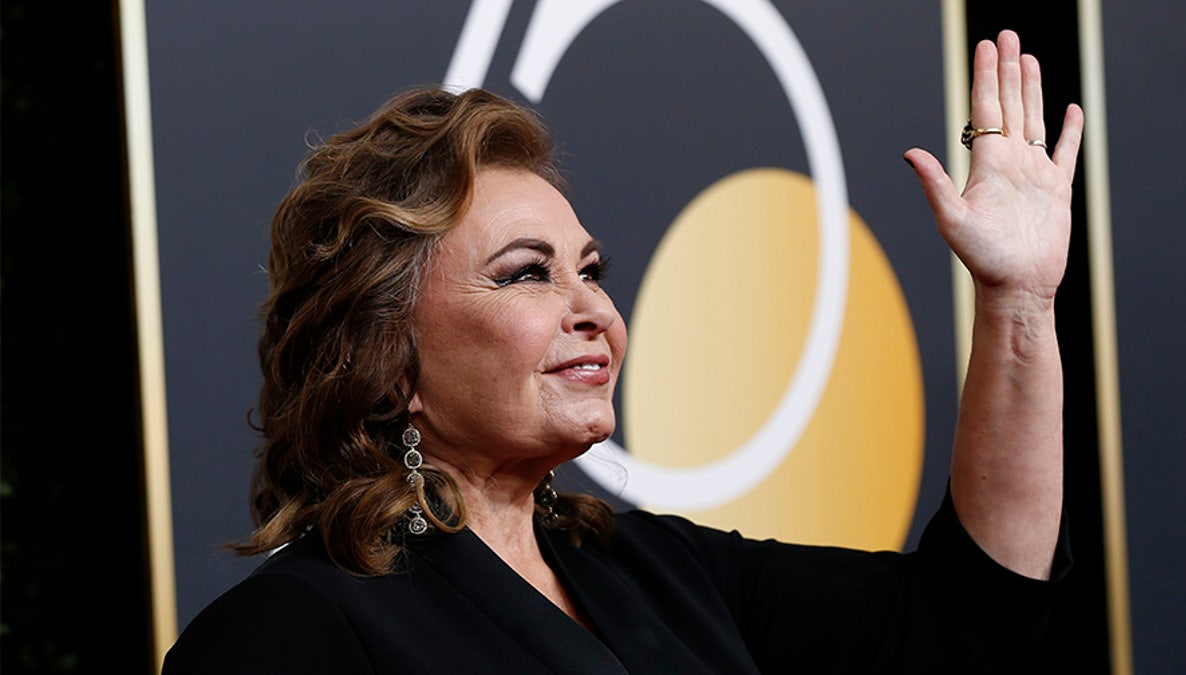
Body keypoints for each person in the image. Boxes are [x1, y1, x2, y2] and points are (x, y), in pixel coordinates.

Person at [163, 30, 1083, 673]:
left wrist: (1019, 301)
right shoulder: (291, 631)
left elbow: (971, 617)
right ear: (386, 359)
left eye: (591, 269)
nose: (593, 308)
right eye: (527, 274)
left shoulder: (655, 569)